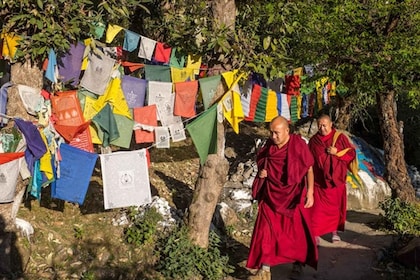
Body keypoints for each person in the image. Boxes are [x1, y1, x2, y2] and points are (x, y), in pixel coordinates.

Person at [247, 116, 318, 280]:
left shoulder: (298, 145)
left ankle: (298, 263)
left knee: (296, 232)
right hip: (271, 194)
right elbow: (263, 162)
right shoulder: (270, 146)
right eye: (271, 132)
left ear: (287, 131)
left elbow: (309, 168)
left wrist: (310, 192)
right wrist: (262, 173)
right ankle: (264, 269)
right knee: (265, 230)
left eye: (277, 133)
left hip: (293, 196)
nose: (273, 136)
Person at [308, 114, 356, 245]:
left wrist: (337, 152)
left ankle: (334, 232)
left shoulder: (339, 138)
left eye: (324, 125)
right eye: (319, 125)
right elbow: (308, 159)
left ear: (331, 125)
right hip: (319, 181)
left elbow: (351, 154)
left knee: (335, 209)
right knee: (317, 210)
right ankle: (316, 234)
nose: (322, 128)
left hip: (335, 181)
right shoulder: (314, 141)